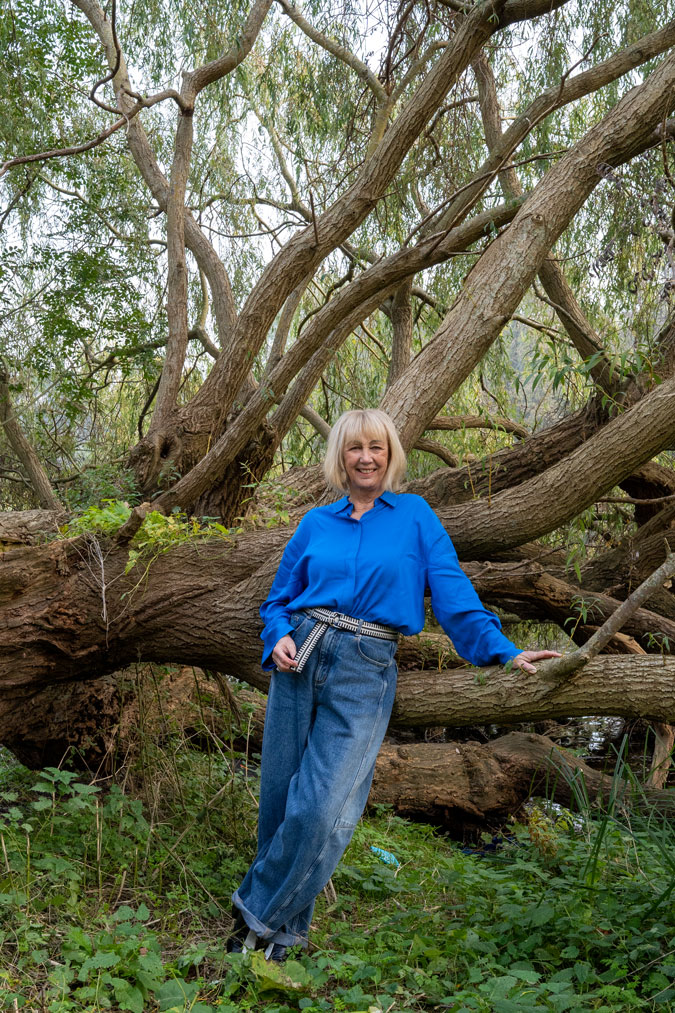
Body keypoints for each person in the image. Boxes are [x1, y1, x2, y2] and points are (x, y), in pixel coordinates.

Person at [227, 408, 560, 961]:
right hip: (299, 657)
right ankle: (278, 940)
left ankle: (252, 913)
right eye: (355, 448)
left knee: (323, 811)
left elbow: (453, 595)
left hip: (365, 664)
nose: (366, 458)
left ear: (391, 455)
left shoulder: (414, 517)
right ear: (340, 456)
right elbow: (277, 600)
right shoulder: (316, 523)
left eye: (376, 448)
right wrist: (277, 634)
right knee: (282, 801)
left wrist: (505, 651)